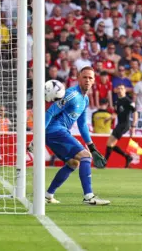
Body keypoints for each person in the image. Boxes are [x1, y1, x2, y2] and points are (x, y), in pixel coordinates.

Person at [44, 66, 110, 205]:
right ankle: (88, 197)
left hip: (58, 132)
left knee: (73, 163)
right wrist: (38, 135)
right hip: (55, 131)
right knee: (85, 156)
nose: (87, 80)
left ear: (94, 81)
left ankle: (48, 195)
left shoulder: (84, 100)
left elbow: (82, 125)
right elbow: (50, 112)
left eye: (90, 78)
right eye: (84, 77)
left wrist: (92, 146)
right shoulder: (71, 94)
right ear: (79, 78)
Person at [104, 84, 137, 168]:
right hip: (120, 124)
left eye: (122, 88)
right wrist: (109, 118)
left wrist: (133, 126)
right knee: (110, 144)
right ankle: (127, 157)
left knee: (110, 143)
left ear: (125, 90)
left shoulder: (128, 101)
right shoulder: (117, 101)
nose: (120, 90)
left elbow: (135, 113)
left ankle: (104, 163)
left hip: (125, 124)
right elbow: (116, 113)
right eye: (118, 88)